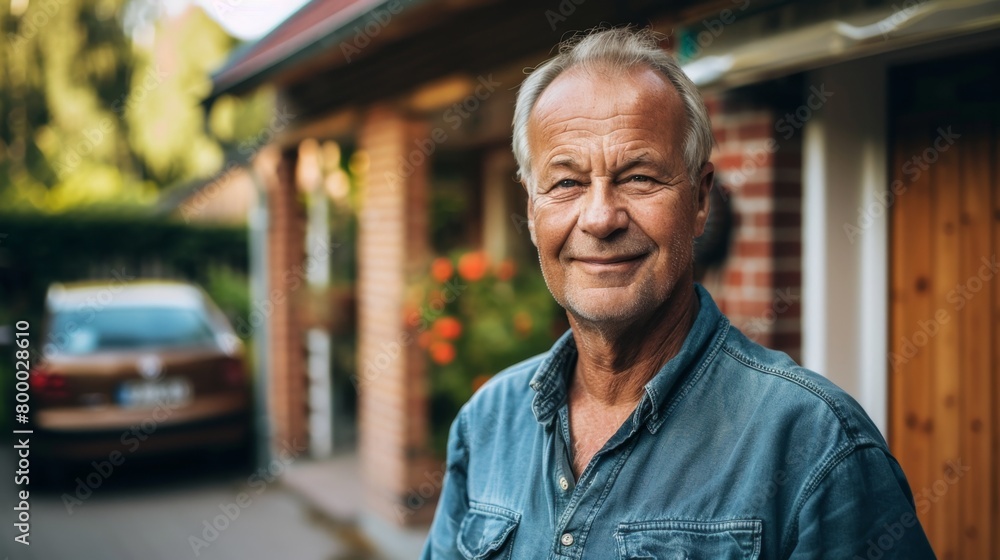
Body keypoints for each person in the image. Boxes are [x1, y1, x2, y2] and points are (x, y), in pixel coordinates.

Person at [421, 27, 935, 559]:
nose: (600, 218)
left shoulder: (816, 443)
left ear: (700, 200)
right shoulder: (486, 423)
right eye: (567, 183)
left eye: (639, 177)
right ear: (532, 210)